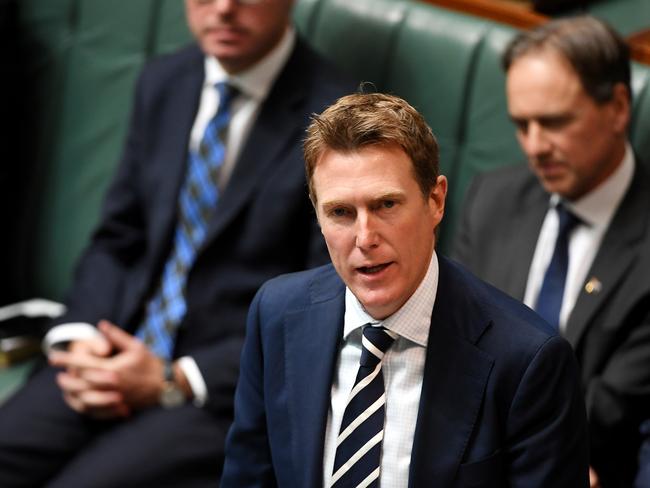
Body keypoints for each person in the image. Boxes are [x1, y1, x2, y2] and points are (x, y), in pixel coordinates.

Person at [0, 0, 353, 485]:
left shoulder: (338, 121)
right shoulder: (166, 81)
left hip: (216, 388)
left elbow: (327, 301)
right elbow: (118, 237)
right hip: (110, 347)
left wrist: (176, 378)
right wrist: (79, 338)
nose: (224, 8)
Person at [220, 92, 589, 487]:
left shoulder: (527, 361)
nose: (365, 238)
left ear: (435, 201)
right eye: (340, 212)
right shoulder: (276, 314)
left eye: (386, 205)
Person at [452, 16, 650, 488]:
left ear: (618, 107)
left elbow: (614, 404)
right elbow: (452, 348)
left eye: (555, 122)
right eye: (522, 125)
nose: (535, 146)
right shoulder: (491, 200)